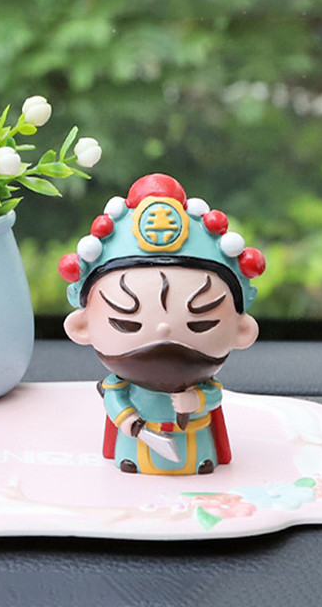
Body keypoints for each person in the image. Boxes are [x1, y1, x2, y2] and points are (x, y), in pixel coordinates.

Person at [58, 174, 265, 475]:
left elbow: (214, 395)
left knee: (198, 457)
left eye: (201, 323)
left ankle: (201, 461)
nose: (164, 331)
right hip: (138, 443)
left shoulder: (203, 384)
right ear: (81, 327)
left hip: (195, 442)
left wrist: (196, 399)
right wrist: (129, 420)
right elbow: (114, 397)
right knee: (134, 461)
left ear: (242, 331)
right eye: (127, 323)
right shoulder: (122, 383)